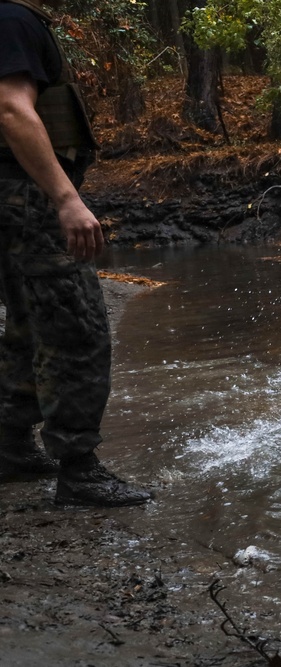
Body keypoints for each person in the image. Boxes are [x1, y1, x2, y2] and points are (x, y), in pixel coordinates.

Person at [0, 0, 151, 506]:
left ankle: (11, 445)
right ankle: (79, 469)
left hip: (14, 196)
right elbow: (11, 109)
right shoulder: (13, 20)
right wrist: (65, 198)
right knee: (77, 328)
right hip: (28, 197)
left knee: (27, 325)